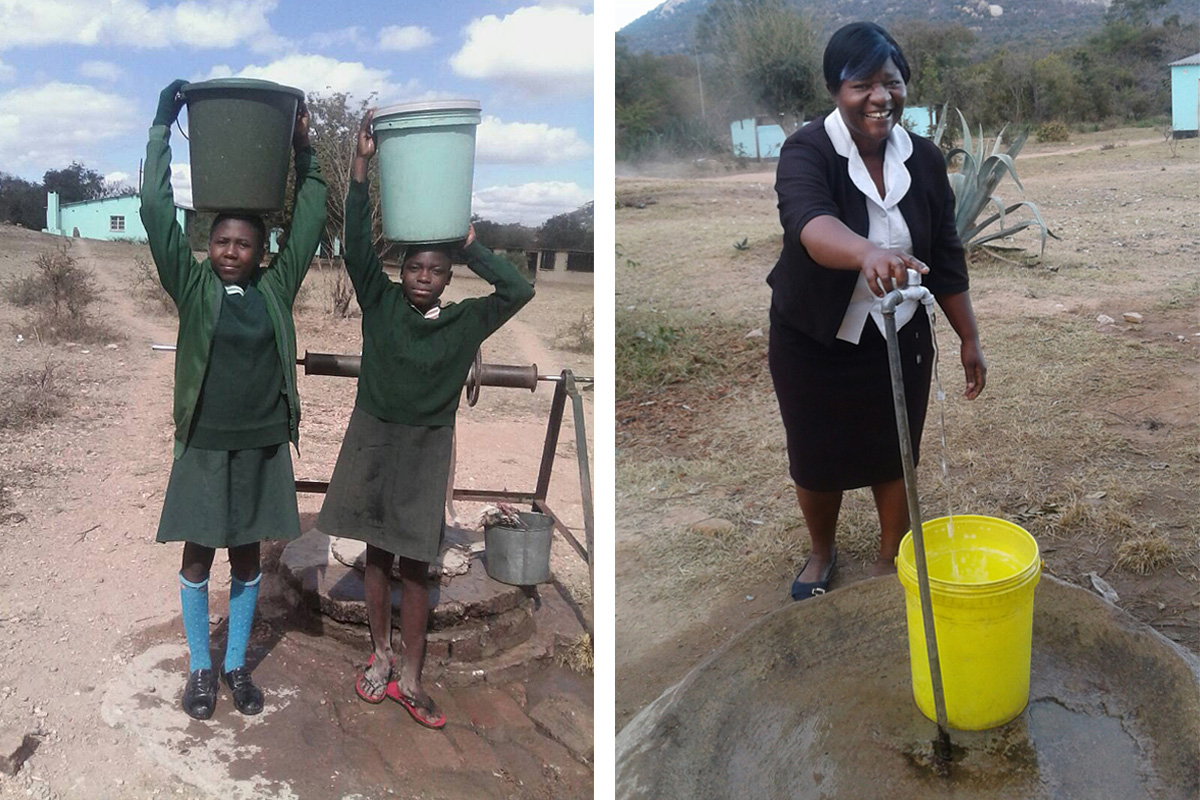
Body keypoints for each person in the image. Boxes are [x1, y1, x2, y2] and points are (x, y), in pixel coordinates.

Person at [315, 110, 535, 728]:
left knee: (418, 564)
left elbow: (518, 291)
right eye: (416, 267)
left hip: (425, 450)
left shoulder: (466, 320)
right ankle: (379, 657)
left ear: (448, 278)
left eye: (438, 270)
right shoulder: (380, 302)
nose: (424, 278)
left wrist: (471, 244)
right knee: (377, 557)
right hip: (373, 441)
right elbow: (357, 244)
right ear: (401, 270)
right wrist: (360, 169)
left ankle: (411, 676)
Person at [767, 22, 987, 600]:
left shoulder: (926, 159)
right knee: (815, 454)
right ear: (834, 90)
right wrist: (866, 251)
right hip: (815, 335)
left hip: (902, 333)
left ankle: (894, 555)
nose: (880, 97)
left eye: (891, 82)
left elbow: (944, 253)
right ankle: (822, 552)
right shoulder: (807, 150)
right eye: (861, 84)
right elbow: (810, 225)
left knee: (897, 448)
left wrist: (968, 336)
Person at [141, 79, 328, 718]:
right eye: (220, 240)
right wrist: (162, 127)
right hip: (204, 444)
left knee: (247, 560)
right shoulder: (192, 288)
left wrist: (305, 151)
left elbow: (310, 210)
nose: (228, 251)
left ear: (261, 251)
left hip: (260, 444)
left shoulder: (276, 292)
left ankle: (236, 666)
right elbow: (155, 210)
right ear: (208, 243)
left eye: (242, 243)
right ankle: (200, 668)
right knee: (199, 556)